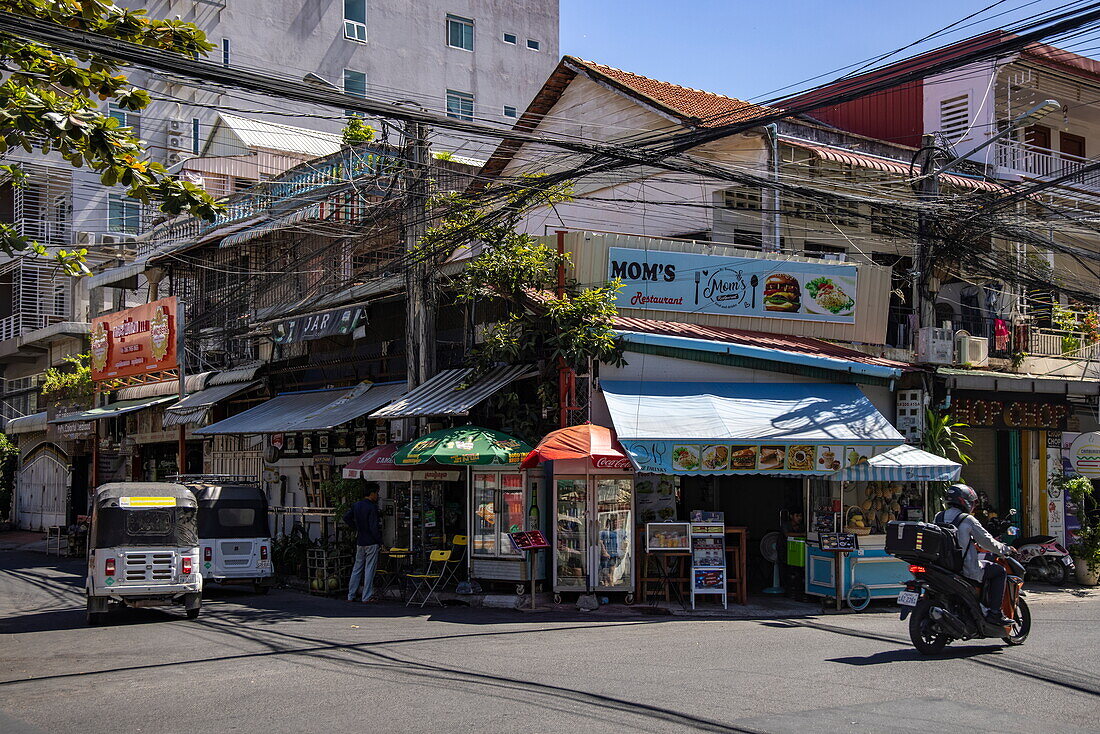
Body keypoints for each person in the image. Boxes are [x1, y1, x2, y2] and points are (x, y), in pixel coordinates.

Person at [936, 483, 1014, 627]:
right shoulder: (967, 520)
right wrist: (1005, 550)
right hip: (965, 569)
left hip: (943, 567)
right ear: (965, 501)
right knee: (999, 572)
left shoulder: (938, 517)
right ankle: (995, 613)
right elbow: (987, 542)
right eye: (972, 502)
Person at [343, 483, 383, 603]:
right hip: (371, 541)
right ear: (372, 493)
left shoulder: (357, 505)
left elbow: (346, 517)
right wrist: (380, 541)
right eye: (376, 493)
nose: (377, 495)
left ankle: (351, 594)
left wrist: (356, 527)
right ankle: (366, 596)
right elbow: (374, 527)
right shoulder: (372, 507)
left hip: (360, 540)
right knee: (369, 569)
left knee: (357, 568)